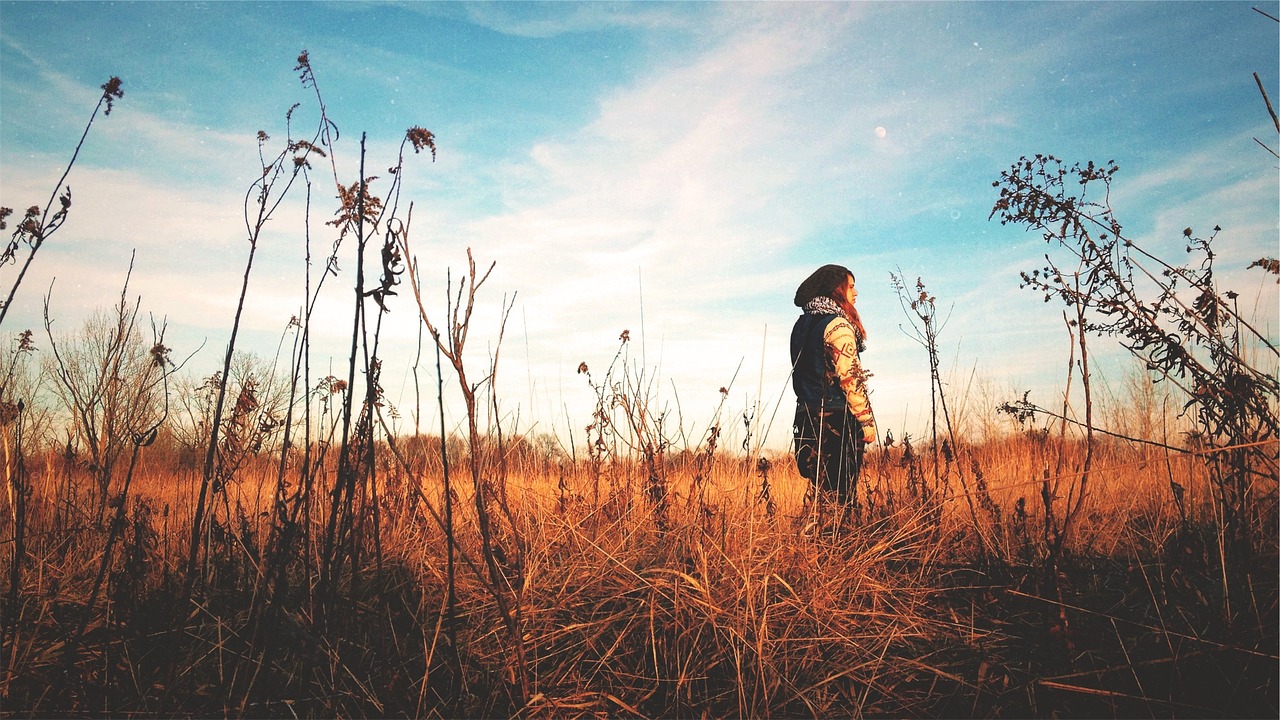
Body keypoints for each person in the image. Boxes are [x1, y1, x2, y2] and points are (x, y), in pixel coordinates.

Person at [790, 264, 877, 505]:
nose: (855, 293)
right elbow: (849, 378)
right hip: (836, 421)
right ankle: (843, 541)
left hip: (806, 418)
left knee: (823, 495)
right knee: (842, 497)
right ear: (835, 290)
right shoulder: (838, 326)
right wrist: (866, 422)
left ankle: (821, 540)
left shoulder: (802, 326)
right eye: (850, 286)